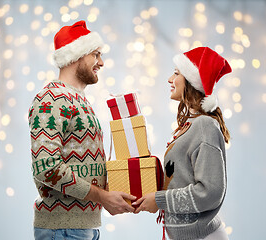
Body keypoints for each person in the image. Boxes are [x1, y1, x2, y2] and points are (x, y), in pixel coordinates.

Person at [28, 20, 136, 240]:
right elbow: (46, 167)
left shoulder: (78, 100)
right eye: (95, 54)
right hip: (63, 230)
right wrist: (103, 197)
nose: (101, 62)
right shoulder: (52, 99)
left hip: (83, 228)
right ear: (76, 55)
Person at [133, 46, 232, 240]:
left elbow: (210, 192)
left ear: (191, 82)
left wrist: (160, 200)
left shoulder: (204, 126)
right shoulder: (190, 125)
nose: (170, 79)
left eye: (176, 73)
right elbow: (181, 179)